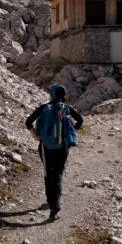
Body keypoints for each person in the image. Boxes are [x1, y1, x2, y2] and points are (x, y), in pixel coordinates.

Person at [25, 84, 84, 221]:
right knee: (57, 175)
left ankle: (51, 201)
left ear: (52, 94)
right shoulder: (67, 109)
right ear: (63, 95)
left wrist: (36, 137)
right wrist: (71, 132)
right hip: (62, 147)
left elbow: (28, 122)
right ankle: (54, 208)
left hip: (45, 147)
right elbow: (80, 120)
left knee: (48, 173)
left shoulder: (44, 108)